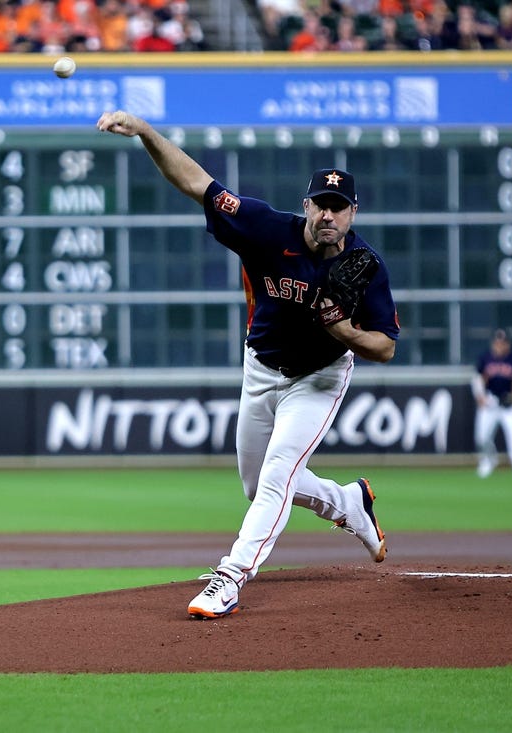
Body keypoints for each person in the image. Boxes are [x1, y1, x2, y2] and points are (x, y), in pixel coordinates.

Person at [96, 109, 400, 619]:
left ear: (353, 213)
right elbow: (196, 182)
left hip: (319, 378)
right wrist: (147, 133)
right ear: (307, 206)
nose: (329, 215)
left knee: (279, 473)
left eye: (339, 207)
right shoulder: (263, 228)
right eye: (321, 205)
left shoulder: (364, 266)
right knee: (256, 484)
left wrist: (345, 332)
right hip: (261, 368)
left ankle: (230, 577)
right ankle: (349, 504)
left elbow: (386, 346)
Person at [472, 328, 512, 478]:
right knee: (481, 437)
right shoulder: (485, 358)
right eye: (497, 342)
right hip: (491, 401)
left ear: (508, 344)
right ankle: (489, 460)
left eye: (502, 342)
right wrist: (480, 396)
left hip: (508, 403)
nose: (499, 345)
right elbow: (479, 379)